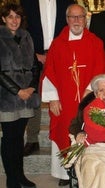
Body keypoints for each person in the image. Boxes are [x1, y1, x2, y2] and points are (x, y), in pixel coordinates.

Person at [41, 4, 105, 186]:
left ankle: (87, 172)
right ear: (67, 19)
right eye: (73, 17)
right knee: (65, 129)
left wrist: (89, 90)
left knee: (90, 129)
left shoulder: (96, 42)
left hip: (89, 97)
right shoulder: (57, 44)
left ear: (86, 19)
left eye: (80, 17)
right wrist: (52, 97)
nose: (77, 21)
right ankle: (65, 173)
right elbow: (49, 72)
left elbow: (101, 69)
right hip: (64, 99)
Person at [20, 0, 75, 157]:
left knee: (64, 96)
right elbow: (21, 32)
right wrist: (33, 55)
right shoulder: (27, 3)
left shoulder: (68, 2)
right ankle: (32, 139)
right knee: (34, 97)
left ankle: (66, 135)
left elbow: (72, 28)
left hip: (62, 57)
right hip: (36, 57)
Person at [0, 3, 40, 188]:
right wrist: (17, 91)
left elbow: (34, 65)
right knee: (9, 139)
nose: (14, 20)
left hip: (26, 97)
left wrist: (31, 88)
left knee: (19, 138)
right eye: (10, 17)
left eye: (17, 17)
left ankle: (20, 175)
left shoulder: (26, 36)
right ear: (3, 19)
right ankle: (11, 180)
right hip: (7, 97)